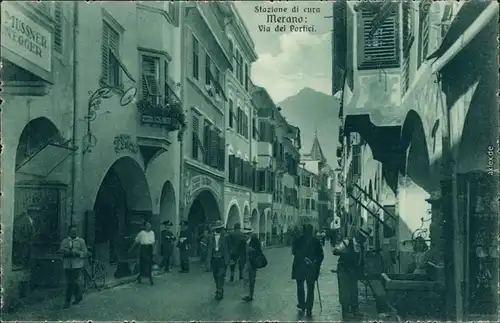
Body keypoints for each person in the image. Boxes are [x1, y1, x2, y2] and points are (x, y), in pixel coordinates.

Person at [333, 227, 371, 320]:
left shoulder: (361, 246)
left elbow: (361, 261)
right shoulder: (347, 242)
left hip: (354, 272)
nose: (365, 240)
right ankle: (345, 312)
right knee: (345, 292)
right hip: (343, 270)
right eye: (363, 238)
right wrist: (345, 252)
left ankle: (355, 311)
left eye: (365, 239)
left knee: (354, 291)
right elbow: (335, 251)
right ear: (359, 236)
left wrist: (362, 273)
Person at [292, 224, 324, 317]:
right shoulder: (316, 241)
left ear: (303, 230)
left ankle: (302, 305)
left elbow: (294, 252)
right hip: (311, 268)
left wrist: (303, 259)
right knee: (310, 288)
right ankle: (309, 307)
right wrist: (314, 262)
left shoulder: (298, 240)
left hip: (300, 267)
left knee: (300, 287)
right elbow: (321, 256)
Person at [58, 225, 88, 309]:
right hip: (67, 264)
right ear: (69, 232)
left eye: (75, 232)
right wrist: (65, 251)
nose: (74, 233)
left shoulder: (81, 241)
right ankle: (78, 296)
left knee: (71, 282)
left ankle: (67, 302)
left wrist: (77, 253)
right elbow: (60, 251)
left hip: (77, 265)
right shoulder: (64, 241)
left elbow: (85, 253)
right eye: (72, 232)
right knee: (72, 282)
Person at [206, 220, 230, 300]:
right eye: (217, 228)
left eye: (220, 228)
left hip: (222, 259)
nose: (219, 229)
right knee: (215, 276)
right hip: (214, 259)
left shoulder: (226, 236)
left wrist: (229, 260)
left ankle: (219, 292)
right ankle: (219, 289)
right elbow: (208, 249)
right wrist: (208, 262)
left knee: (221, 275)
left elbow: (229, 248)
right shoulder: (211, 237)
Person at [240, 226, 263, 302]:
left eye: (247, 234)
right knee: (246, 279)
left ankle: (251, 295)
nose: (245, 235)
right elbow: (239, 251)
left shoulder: (255, 241)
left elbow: (259, 251)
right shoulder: (243, 242)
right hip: (245, 263)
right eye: (244, 234)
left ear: (250, 234)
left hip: (253, 263)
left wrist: (253, 250)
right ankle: (247, 295)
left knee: (252, 280)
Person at [129, 220, 155, 285]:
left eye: (149, 225)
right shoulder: (141, 233)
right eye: (147, 225)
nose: (148, 226)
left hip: (150, 248)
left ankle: (148, 277)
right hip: (143, 249)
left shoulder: (152, 233)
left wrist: (154, 251)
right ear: (144, 226)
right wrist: (131, 248)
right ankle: (143, 276)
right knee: (144, 263)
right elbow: (136, 241)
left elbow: (153, 243)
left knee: (149, 264)